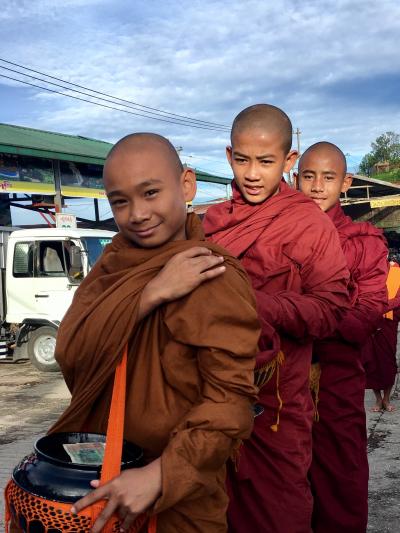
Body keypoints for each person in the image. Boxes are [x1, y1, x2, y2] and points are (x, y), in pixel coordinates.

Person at [50, 133, 265, 533]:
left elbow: (231, 399)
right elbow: (71, 352)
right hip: (98, 475)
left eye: (150, 192)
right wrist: (147, 297)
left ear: (187, 185)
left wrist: (161, 475)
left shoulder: (211, 274)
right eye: (120, 201)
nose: (138, 214)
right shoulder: (112, 266)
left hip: (178, 492)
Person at [203, 104, 350, 533]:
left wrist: (255, 303)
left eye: (266, 162)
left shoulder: (307, 223)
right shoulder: (213, 221)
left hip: (275, 406)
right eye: (243, 160)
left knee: (278, 513)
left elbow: (331, 309)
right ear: (229, 155)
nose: (252, 174)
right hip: (209, 394)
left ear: (287, 161)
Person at [297, 141, 389, 533]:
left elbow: (365, 317)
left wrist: (298, 312)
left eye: (328, 177)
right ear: (294, 178)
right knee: (279, 487)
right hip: (278, 383)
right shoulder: (277, 235)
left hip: (336, 382)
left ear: (346, 183)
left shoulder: (362, 241)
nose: (318, 186)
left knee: (340, 483)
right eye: (309, 176)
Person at [366, 258, 400, 412]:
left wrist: (384, 306)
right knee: (372, 361)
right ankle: (378, 400)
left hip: (389, 322)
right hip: (372, 321)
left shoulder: (397, 272)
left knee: (388, 361)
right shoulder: (370, 271)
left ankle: (386, 399)